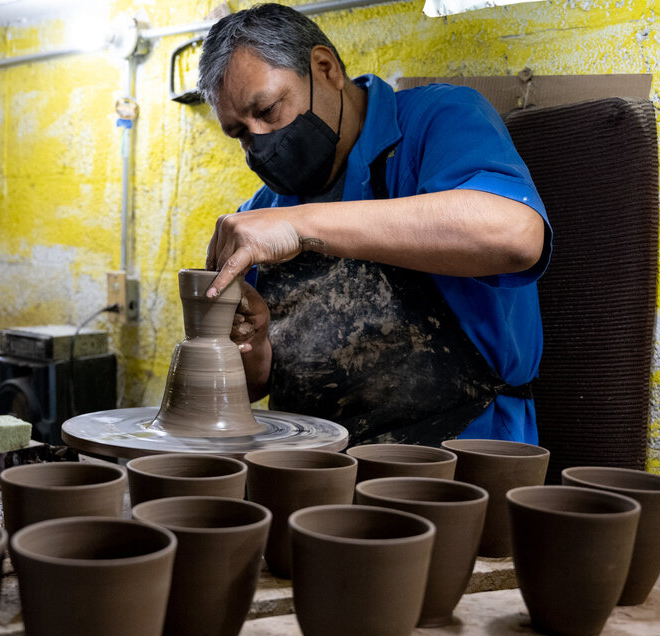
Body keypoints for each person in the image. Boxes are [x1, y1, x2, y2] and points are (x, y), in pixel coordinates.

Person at [196, 3, 552, 446]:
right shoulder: (263, 210)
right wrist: (258, 341)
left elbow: (515, 235)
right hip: (315, 461)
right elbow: (253, 389)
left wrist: (300, 225)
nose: (259, 144)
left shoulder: (436, 120)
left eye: (268, 110)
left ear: (325, 68)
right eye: (240, 134)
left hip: (461, 452)